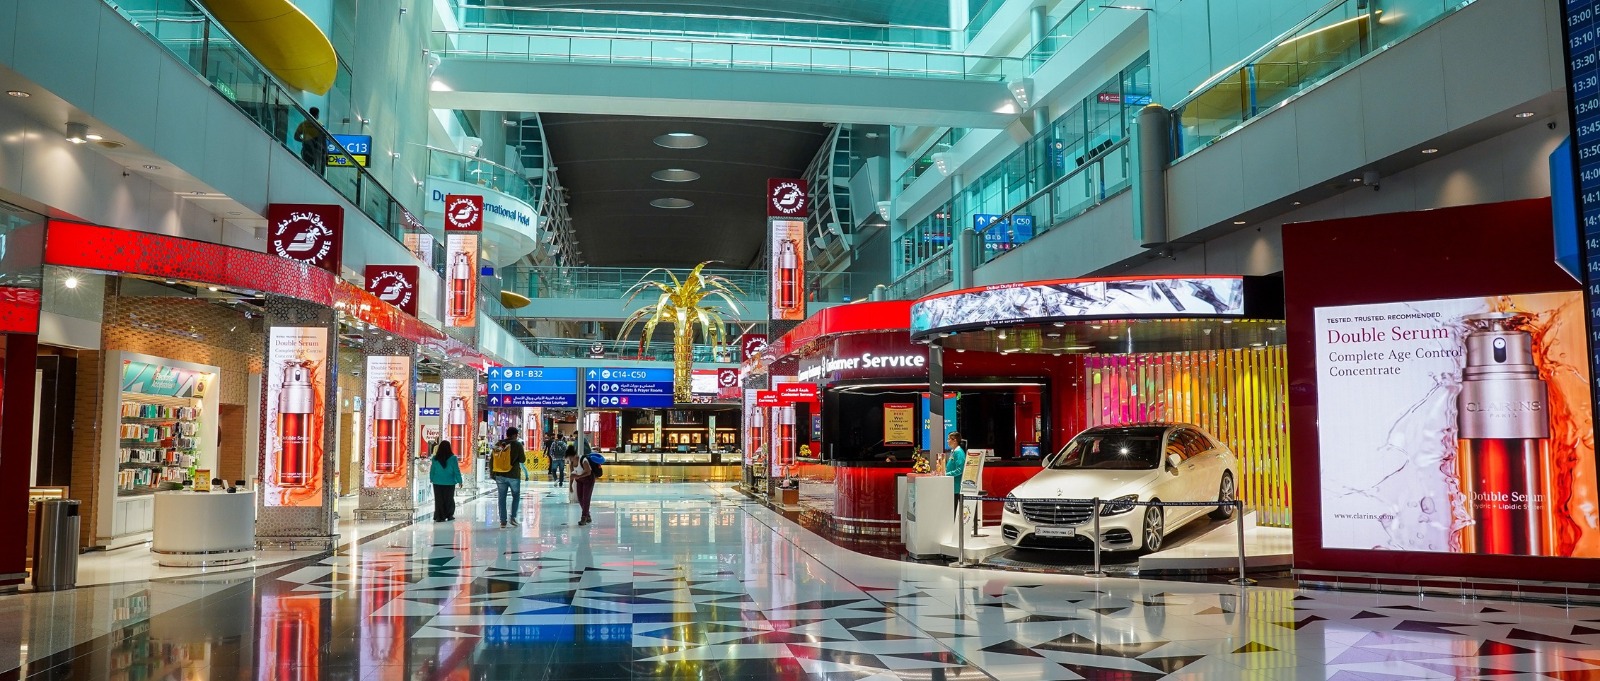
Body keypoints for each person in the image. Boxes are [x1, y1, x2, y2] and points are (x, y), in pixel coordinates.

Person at [491, 427, 527, 527]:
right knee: (516, 496)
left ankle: (503, 521)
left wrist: (492, 473)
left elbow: (492, 459)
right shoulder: (517, 444)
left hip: (500, 474)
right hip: (513, 475)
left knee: (502, 497)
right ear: (515, 435)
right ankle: (513, 517)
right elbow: (522, 460)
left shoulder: (499, 444)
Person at [429, 440, 462, 522]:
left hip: (437, 482)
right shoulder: (453, 458)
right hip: (450, 482)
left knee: (439, 499)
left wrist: (431, 478)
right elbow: (456, 470)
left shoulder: (435, 458)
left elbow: (432, 470)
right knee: (449, 499)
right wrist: (460, 481)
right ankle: (449, 515)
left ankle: (439, 516)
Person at [569, 443, 596, 526]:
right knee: (580, 498)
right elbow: (572, 475)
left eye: (571, 457)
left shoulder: (583, 460)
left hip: (589, 479)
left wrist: (579, 476)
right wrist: (570, 486)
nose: (570, 459)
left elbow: (588, 472)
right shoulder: (571, 463)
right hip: (580, 481)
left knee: (586, 498)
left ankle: (584, 517)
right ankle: (588, 515)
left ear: (575, 455)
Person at [293, 107, 325, 172]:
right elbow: (323, 139)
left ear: (309, 114)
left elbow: (296, 137)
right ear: (317, 115)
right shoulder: (320, 126)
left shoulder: (303, 124)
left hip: (307, 150)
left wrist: (304, 140)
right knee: (319, 171)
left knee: (306, 169)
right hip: (318, 151)